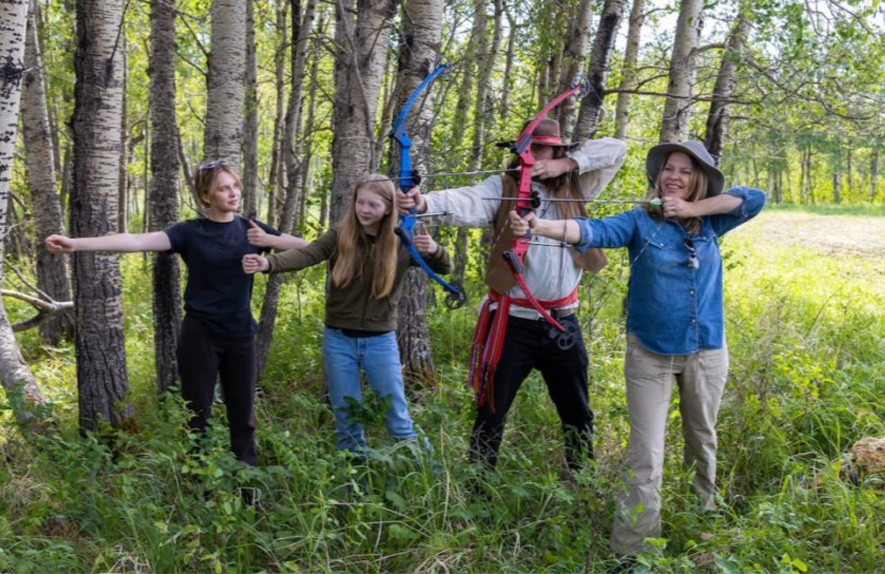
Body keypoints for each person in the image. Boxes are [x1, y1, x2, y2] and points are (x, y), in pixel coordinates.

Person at [509, 140, 767, 556]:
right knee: (645, 454)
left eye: (684, 170)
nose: (674, 177)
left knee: (702, 439)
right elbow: (593, 230)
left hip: (705, 351)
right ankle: (635, 552)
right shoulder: (639, 220)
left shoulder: (712, 223)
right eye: (668, 169)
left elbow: (755, 198)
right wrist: (540, 227)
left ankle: (702, 522)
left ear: (697, 179)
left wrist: (693, 211)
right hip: (651, 353)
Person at [397, 118, 627, 472]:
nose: (534, 158)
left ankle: (582, 481)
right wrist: (423, 203)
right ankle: (478, 483)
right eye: (529, 150)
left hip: (561, 323)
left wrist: (565, 166)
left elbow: (616, 149)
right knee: (491, 409)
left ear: (557, 152)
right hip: (512, 323)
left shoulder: (579, 185)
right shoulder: (503, 186)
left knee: (577, 410)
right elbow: (465, 201)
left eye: (542, 150)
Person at [45, 160, 306, 465]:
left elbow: (306, 247)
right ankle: (198, 483)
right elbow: (136, 241)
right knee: (197, 415)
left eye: (235, 185)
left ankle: (247, 485)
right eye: (223, 188)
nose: (233, 193)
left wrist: (268, 242)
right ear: (206, 196)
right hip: (200, 336)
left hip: (240, 335)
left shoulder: (251, 229)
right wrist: (75, 244)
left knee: (242, 417)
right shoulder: (189, 232)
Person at [242, 174, 453, 458]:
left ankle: (430, 474)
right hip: (338, 339)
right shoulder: (341, 235)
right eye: (360, 202)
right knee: (347, 417)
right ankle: (355, 480)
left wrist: (434, 250)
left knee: (396, 417)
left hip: (380, 340)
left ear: (389, 207)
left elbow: (445, 268)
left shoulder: (403, 239)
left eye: (373, 205)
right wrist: (268, 263)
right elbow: (308, 254)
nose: (364, 210)